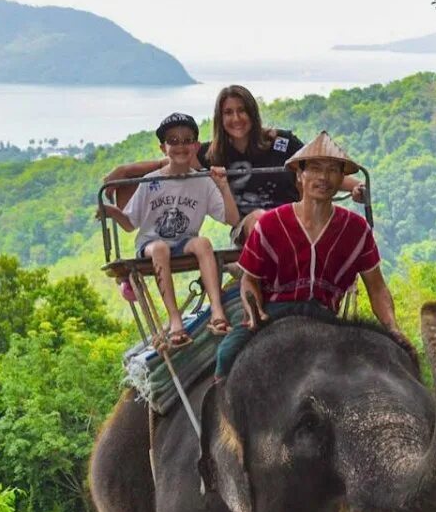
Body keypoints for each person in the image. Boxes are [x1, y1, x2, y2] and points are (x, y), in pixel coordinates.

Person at [214, 131, 403, 377]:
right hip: (274, 312)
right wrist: (254, 314)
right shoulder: (271, 224)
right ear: (299, 175)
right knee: (226, 354)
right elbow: (249, 279)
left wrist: (393, 329)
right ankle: (224, 415)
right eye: (314, 168)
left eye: (333, 170)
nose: (323, 177)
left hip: (325, 316)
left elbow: (376, 287)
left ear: (341, 178)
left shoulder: (356, 229)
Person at [101, 85, 366, 246]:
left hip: (297, 220)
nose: (236, 118)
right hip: (248, 228)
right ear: (220, 118)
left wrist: (355, 187)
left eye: (242, 110)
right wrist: (124, 172)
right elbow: (169, 162)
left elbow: (318, 171)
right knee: (261, 219)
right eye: (228, 112)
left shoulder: (282, 143)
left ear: (252, 112)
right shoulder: (211, 153)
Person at [100, 112, 239, 348]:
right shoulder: (150, 181)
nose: (180, 146)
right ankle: (175, 319)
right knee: (160, 248)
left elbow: (232, 218)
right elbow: (129, 223)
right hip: (152, 244)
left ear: (196, 146)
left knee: (203, 243)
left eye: (186, 140)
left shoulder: (203, 181)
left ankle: (217, 311)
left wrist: (223, 186)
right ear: (163, 148)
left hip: (185, 240)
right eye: (173, 141)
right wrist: (112, 212)